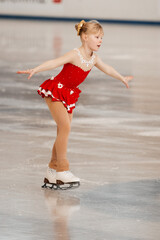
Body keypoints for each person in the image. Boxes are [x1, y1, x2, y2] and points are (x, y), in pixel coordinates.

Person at [17, 20, 133, 189]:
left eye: (102, 37)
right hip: (56, 90)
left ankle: (52, 169)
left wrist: (122, 78)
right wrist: (35, 69)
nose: (100, 40)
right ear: (85, 37)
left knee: (62, 130)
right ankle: (63, 169)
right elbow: (54, 62)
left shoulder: (93, 59)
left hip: (69, 94)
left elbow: (107, 68)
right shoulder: (75, 54)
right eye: (97, 37)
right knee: (65, 128)